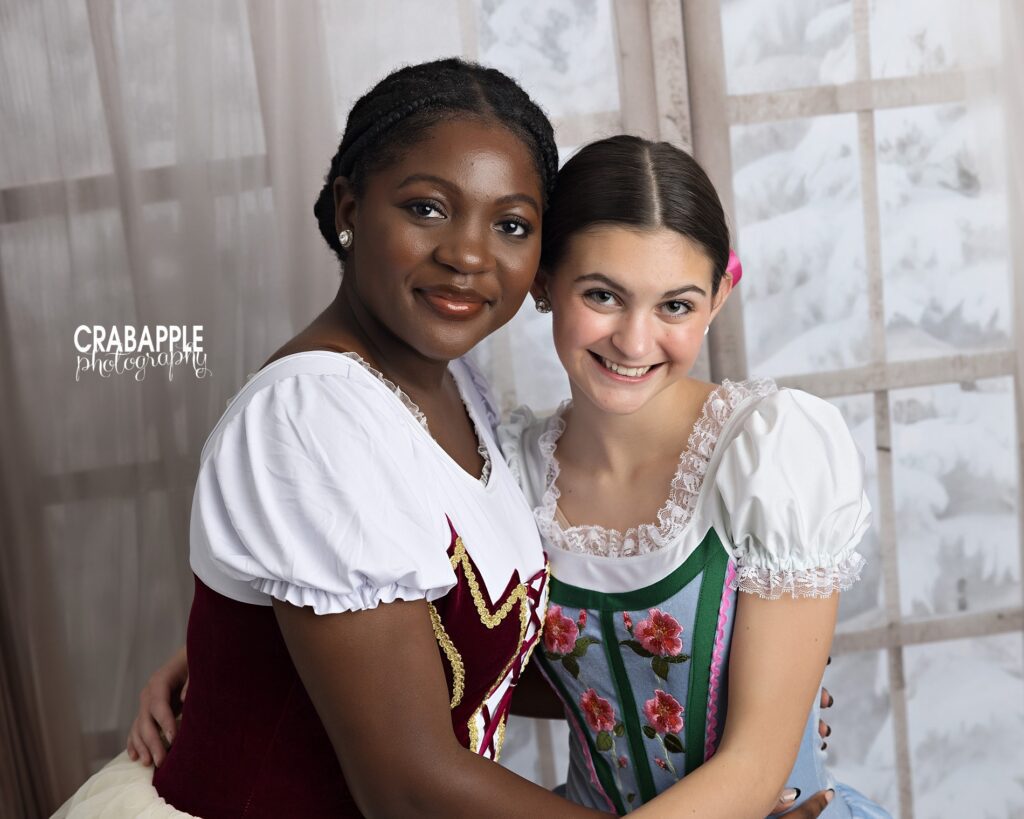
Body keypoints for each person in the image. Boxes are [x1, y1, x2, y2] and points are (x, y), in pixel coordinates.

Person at [56, 60, 837, 819]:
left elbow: (441, 633)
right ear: (347, 207)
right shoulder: (310, 413)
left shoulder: (456, 390)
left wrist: (749, 688)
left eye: (510, 224)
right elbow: (409, 787)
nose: (467, 255)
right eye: (427, 207)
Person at [496, 136, 891, 817]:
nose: (634, 340)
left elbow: (756, 766)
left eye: (675, 305)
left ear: (719, 295)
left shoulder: (769, 454)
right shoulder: (511, 475)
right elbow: (482, 675)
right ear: (543, 281)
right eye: (602, 295)